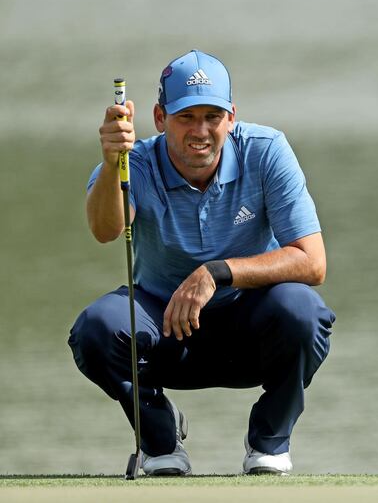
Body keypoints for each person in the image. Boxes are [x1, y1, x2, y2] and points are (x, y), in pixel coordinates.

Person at [68, 50, 335, 476]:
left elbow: (312, 262)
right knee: (96, 328)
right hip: (164, 332)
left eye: (213, 116)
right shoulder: (133, 161)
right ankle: (159, 437)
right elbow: (106, 230)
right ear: (159, 117)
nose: (201, 131)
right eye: (186, 117)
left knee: (303, 312)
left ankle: (268, 439)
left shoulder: (266, 151)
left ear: (232, 116)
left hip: (250, 329)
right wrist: (109, 161)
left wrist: (218, 271)